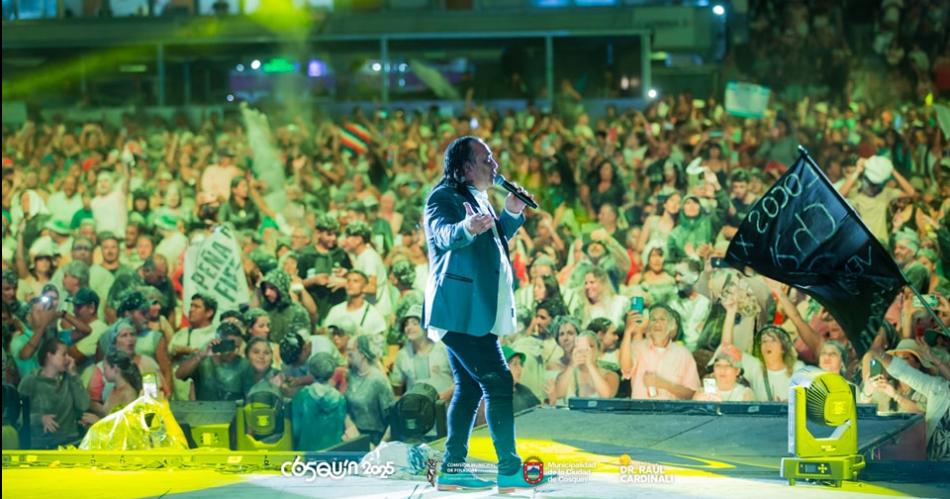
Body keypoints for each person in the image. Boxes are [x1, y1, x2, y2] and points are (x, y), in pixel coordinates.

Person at [422, 136, 549, 490]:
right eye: (486, 160)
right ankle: (509, 468)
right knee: (499, 381)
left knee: (468, 389)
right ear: (465, 168)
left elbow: (494, 240)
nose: (494, 165)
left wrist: (511, 212)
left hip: (474, 310)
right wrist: (465, 227)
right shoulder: (442, 198)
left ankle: (452, 469)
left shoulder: (478, 197)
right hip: (459, 311)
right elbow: (444, 235)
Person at [17, 338, 93, 448]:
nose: (69, 359)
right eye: (64, 354)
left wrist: (73, 375)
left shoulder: (69, 379)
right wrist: (40, 419)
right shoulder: (31, 381)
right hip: (41, 445)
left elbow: (84, 405)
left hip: (70, 442)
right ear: (49, 356)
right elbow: (18, 416)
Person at [619, 304, 700, 400]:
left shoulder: (684, 354)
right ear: (648, 325)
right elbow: (626, 368)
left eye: (662, 319)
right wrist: (628, 331)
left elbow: (691, 394)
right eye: (653, 319)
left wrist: (664, 384)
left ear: (672, 325)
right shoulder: (638, 347)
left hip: (670, 409)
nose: (657, 323)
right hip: (642, 408)